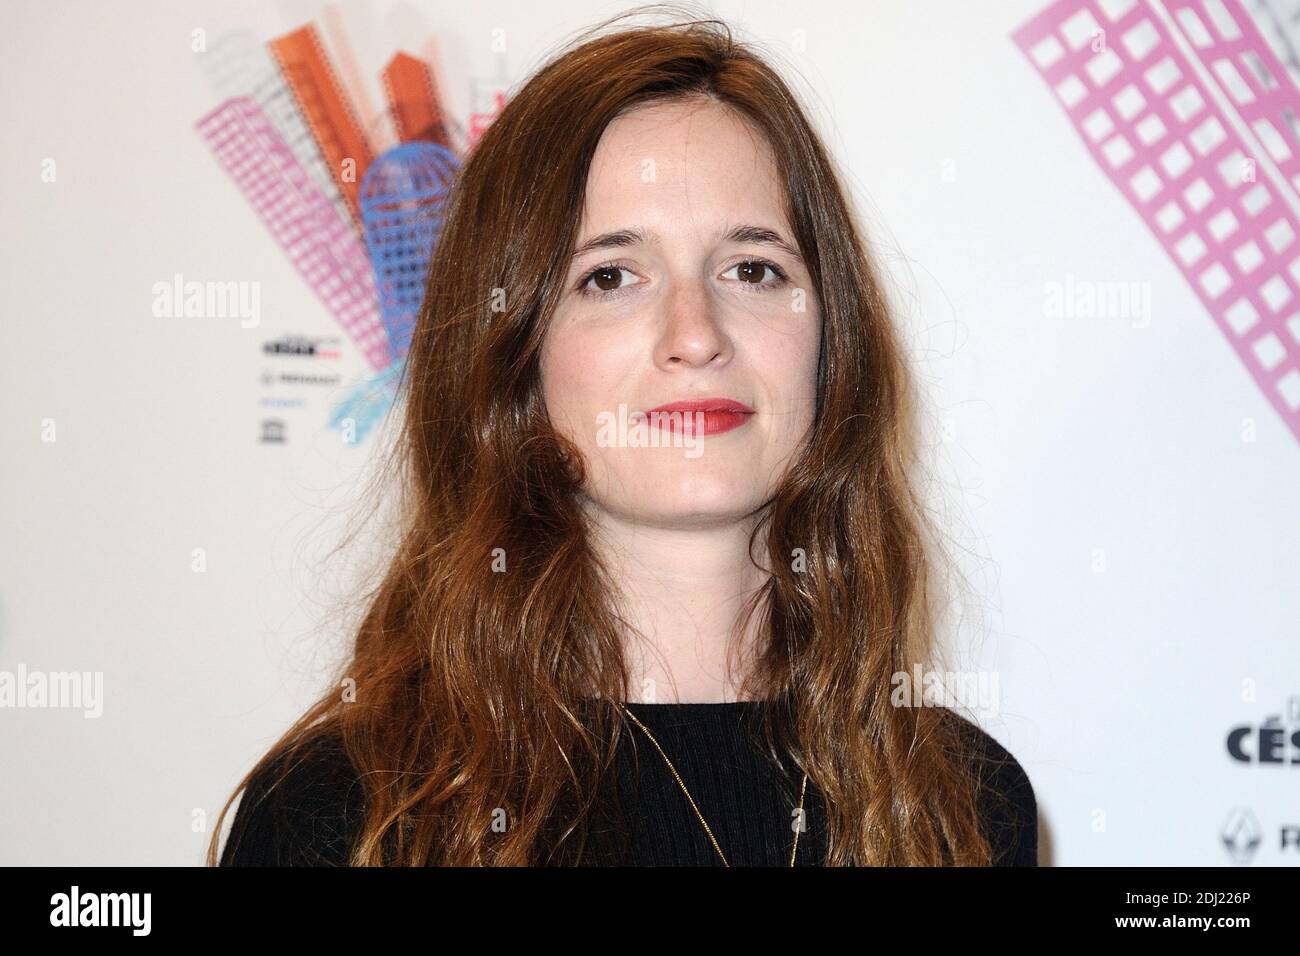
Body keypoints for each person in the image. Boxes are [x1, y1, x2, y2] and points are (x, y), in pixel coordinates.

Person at [211, 7, 1038, 867]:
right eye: (610, 276)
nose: (696, 332)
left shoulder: (966, 802)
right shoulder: (343, 812)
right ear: (513, 353)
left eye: (753, 269)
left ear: (833, 342)